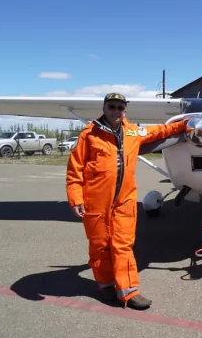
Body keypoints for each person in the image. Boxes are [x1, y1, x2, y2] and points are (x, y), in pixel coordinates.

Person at [66, 92, 189, 309]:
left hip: (124, 202)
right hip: (96, 203)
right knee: (100, 246)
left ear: (125, 110)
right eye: (112, 106)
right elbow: (74, 170)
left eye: (120, 107)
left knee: (123, 246)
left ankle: (129, 292)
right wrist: (76, 199)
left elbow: (160, 130)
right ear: (104, 108)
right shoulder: (89, 135)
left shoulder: (133, 131)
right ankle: (105, 285)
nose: (116, 111)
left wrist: (186, 125)